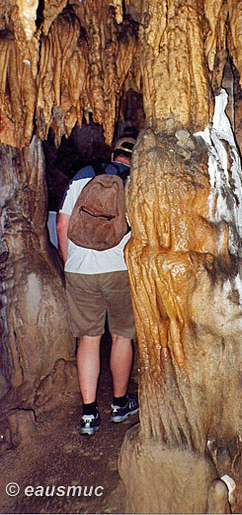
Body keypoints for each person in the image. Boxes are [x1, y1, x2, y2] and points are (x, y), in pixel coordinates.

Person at [57, 137, 138, 435]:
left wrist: (70, 264)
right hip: (119, 269)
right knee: (121, 337)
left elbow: (62, 225)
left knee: (89, 339)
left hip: (80, 269)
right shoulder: (135, 181)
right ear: (135, 156)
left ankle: (89, 413)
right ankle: (119, 404)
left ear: (113, 152)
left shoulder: (83, 174)